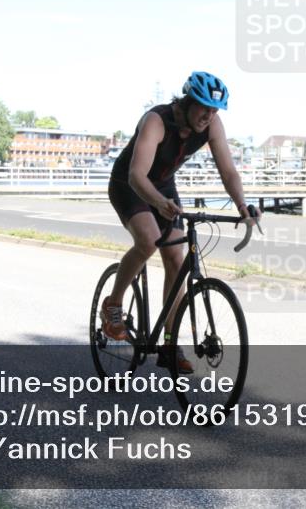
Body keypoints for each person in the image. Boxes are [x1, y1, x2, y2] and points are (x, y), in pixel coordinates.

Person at [101, 72, 259, 373]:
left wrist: (242, 205)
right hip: (129, 183)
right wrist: (159, 203)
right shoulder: (156, 121)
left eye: (214, 110)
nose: (208, 115)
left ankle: (169, 345)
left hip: (163, 186)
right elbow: (136, 175)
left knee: (176, 257)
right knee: (148, 240)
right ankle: (113, 304)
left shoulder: (212, 125)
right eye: (203, 108)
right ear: (187, 101)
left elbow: (228, 171)